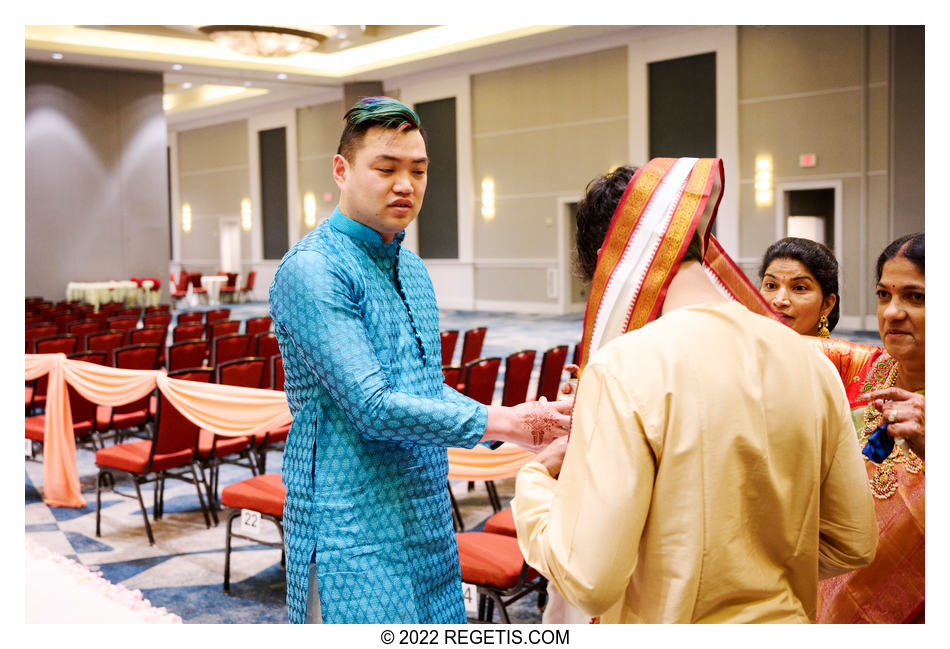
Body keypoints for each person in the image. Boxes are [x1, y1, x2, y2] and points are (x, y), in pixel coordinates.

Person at [512, 157, 877, 623]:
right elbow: (852, 543)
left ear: (613, 267)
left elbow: (590, 582)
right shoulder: (812, 362)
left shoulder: (625, 367)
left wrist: (536, 482)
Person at [269, 97, 571, 624]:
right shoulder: (313, 270)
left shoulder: (409, 265)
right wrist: (503, 421)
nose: (405, 184)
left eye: (418, 170)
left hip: (426, 504)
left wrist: (521, 426)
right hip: (349, 520)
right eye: (386, 169)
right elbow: (373, 406)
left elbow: (424, 387)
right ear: (341, 171)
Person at [815, 232, 925, 623]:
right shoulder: (867, 368)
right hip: (828, 597)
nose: (892, 312)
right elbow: (787, 346)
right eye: (884, 295)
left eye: (916, 297)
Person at [759, 237, 839, 337]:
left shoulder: (848, 352)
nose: (779, 301)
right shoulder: (744, 351)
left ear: (826, 304)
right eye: (771, 286)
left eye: (799, 288)